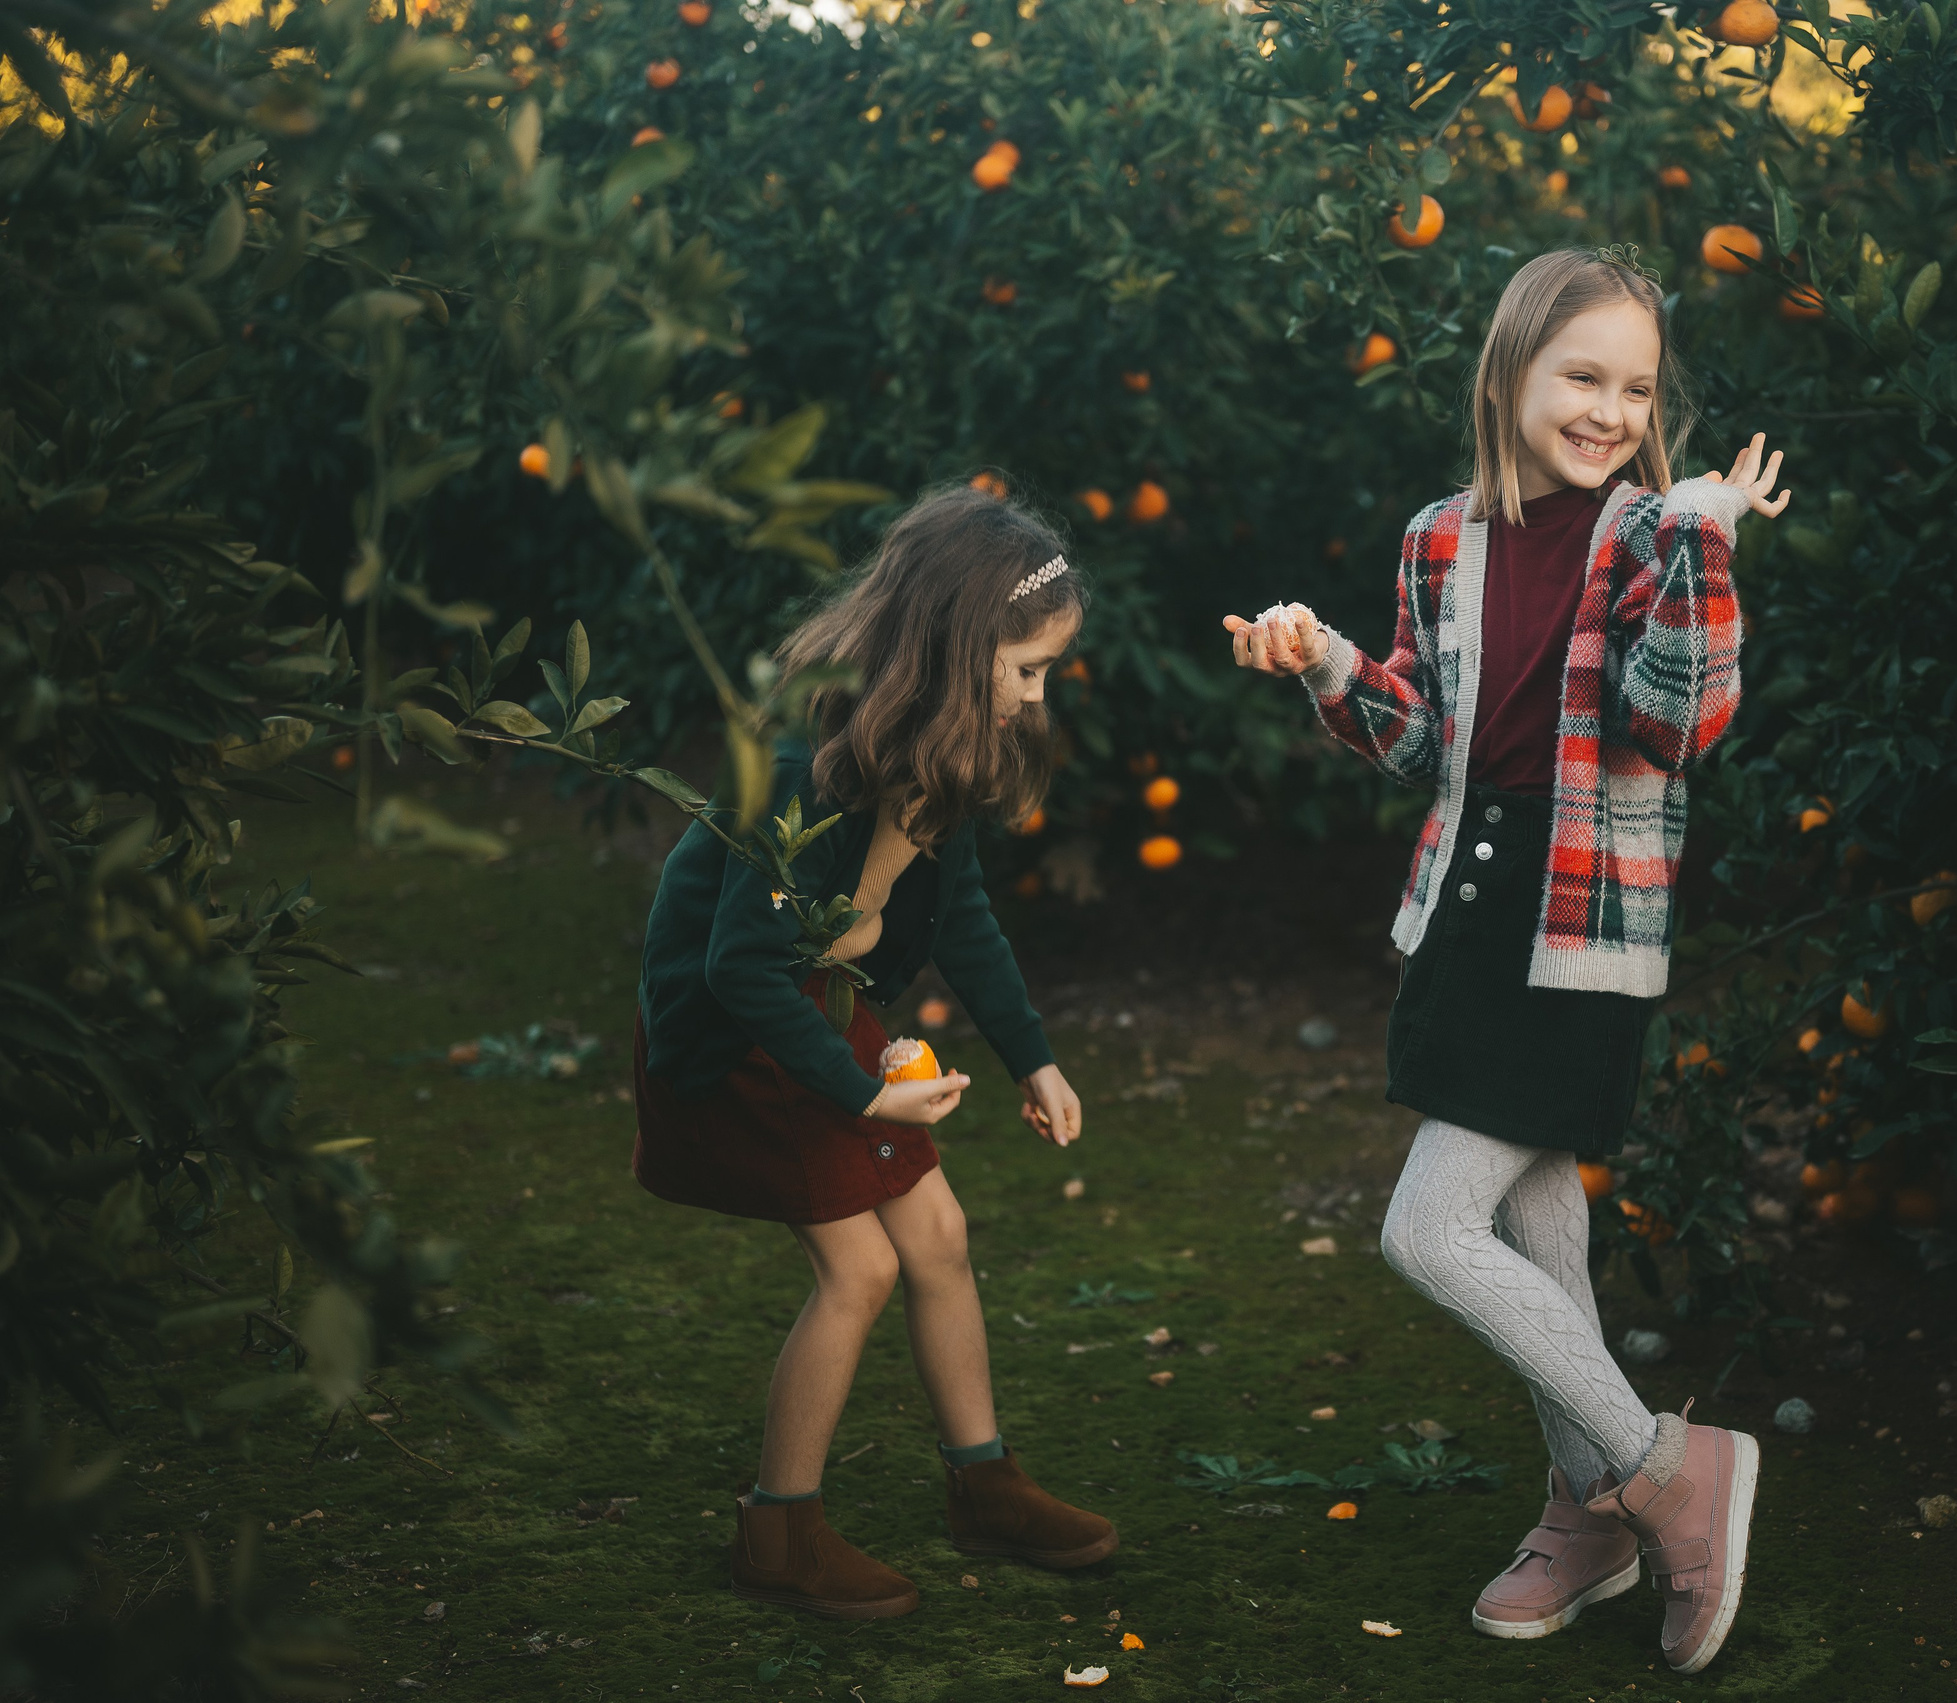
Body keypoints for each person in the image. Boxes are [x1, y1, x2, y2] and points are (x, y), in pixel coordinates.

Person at [1222, 248, 1789, 1675]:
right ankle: (1591, 1511)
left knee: (1428, 1228)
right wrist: (1326, 663)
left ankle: (1668, 1467)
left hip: (1583, 918)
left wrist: (1705, 532)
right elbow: (1423, 738)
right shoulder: (1438, 536)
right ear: (1509, 375)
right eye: (1581, 376)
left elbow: (1681, 723)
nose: (1609, 408)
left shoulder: (1657, 530)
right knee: (1540, 1219)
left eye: (1636, 386)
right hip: (1467, 907)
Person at [632, 484, 1114, 1619]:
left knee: (936, 1233)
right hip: (742, 1029)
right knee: (861, 1266)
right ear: (956, 650)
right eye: (1028, 669)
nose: (1038, 696)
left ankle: (983, 1483)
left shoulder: (943, 748)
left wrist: (1030, 1057)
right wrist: (861, 1092)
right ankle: (777, 1532)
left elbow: (965, 919)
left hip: (817, 996)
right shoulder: (817, 761)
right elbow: (735, 967)